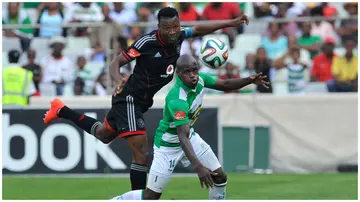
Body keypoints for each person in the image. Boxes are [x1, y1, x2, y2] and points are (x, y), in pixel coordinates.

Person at [43, 7, 249, 191]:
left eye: (175, 27)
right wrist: (117, 82)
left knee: (104, 134)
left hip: (142, 102)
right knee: (141, 153)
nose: (172, 32)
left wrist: (230, 23)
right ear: (158, 27)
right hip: (129, 98)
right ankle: (137, 198)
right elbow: (116, 62)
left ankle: (60, 109)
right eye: (167, 28)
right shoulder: (147, 42)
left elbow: (199, 29)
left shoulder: (179, 35)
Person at [109, 54, 269, 200]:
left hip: (190, 138)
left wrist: (250, 79)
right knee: (151, 196)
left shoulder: (200, 80)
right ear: (178, 73)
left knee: (220, 177)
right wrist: (198, 166)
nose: (193, 75)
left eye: (195, 70)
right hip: (167, 146)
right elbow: (181, 136)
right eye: (187, 72)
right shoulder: (177, 98)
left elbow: (226, 84)